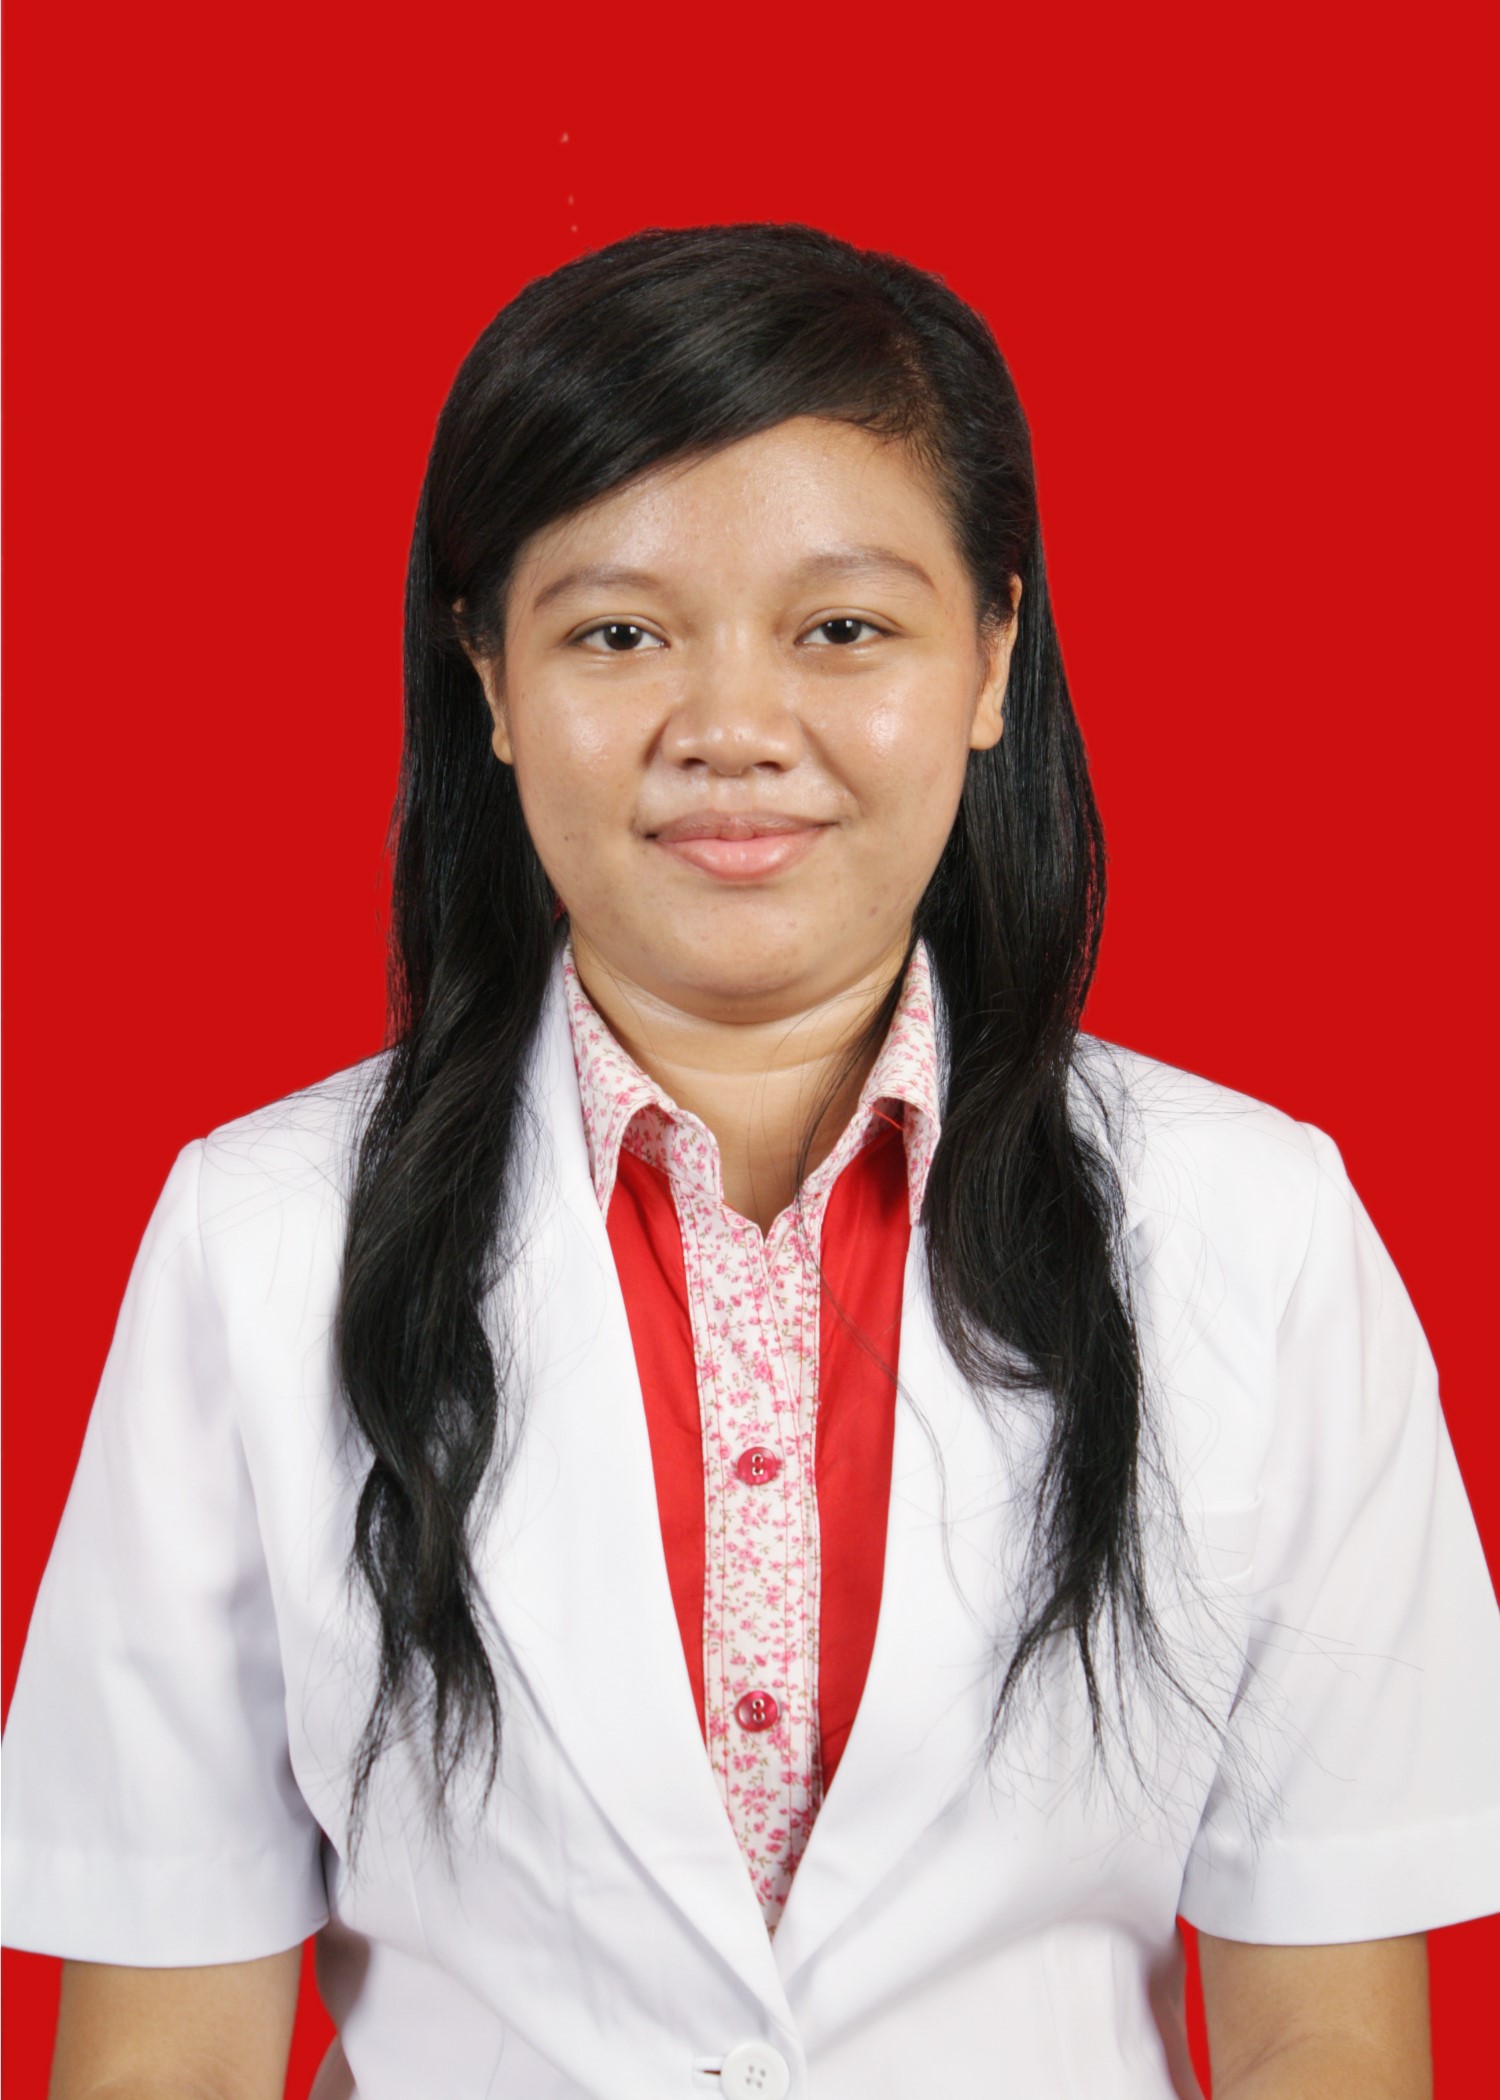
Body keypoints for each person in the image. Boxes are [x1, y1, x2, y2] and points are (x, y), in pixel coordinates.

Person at [4, 221, 1499, 2100]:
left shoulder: (1253, 1231)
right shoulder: (260, 1241)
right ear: (488, 678)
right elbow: (170, 2058)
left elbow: (1321, 2035)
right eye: (617, 634)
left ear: (993, 655)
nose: (730, 732)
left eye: (843, 630)